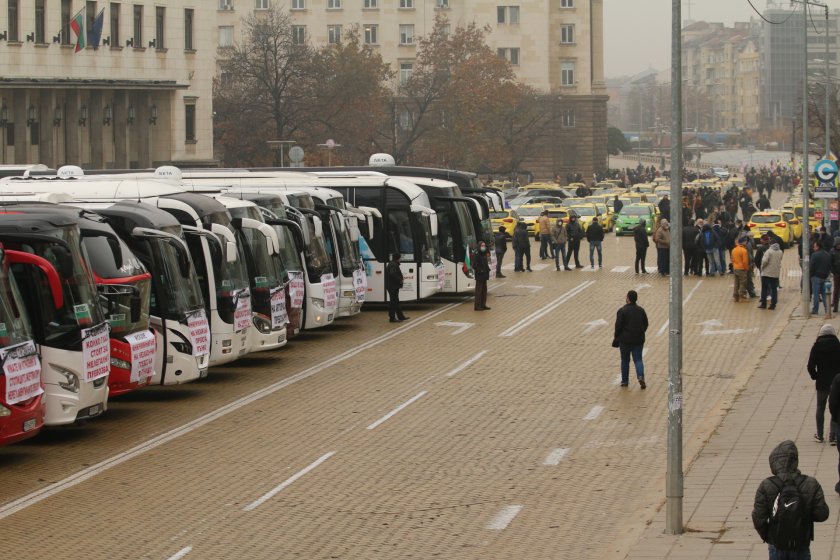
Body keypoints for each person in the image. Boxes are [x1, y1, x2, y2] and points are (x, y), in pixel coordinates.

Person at [751, 440, 829, 559]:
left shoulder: (766, 485)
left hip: (776, 544)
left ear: (773, 463)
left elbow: (758, 517)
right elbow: (822, 514)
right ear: (795, 461)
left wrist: (768, 537)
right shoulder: (811, 483)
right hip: (801, 543)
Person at [808, 324, 840, 444]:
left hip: (821, 383)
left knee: (820, 407)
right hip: (836, 383)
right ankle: (834, 436)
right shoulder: (838, 346)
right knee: (835, 407)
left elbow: (810, 366)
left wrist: (815, 376)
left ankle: (820, 435)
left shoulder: (816, 347)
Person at [613, 290, 649, 389]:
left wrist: (617, 336)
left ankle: (625, 381)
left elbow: (618, 326)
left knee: (625, 360)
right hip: (638, 340)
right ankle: (640, 376)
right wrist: (641, 332)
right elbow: (646, 324)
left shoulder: (622, 311)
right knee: (638, 359)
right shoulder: (641, 310)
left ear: (628, 298)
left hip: (625, 341)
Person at [758, 239, 783, 310]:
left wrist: (762, 267)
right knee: (774, 289)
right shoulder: (780, 251)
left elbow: (764, 261)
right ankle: (773, 304)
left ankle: (763, 304)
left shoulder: (769, 251)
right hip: (775, 272)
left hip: (766, 273)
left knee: (764, 288)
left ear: (771, 244)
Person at [385, 252, 408, 323]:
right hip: (392, 286)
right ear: (398, 258)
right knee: (393, 302)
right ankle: (392, 318)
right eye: (400, 258)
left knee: (396, 301)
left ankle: (400, 316)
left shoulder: (393, 264)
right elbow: (392, 273)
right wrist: (400, 279)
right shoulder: (393, 264)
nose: (400, 259)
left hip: (393, 286)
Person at [810, 241, 831, 318]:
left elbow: (811, 266)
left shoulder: (814, 255)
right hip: (825, 276)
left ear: (818, 247)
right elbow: (829, 265)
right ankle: (827, 309)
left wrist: (811, 275)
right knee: (825, 294)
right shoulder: (827, 254)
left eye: (814, 246)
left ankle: (815, 310)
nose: (813, 248)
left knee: (816, 294)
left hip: (816, 276)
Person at [473, 241, 491, 311]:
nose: (484, 247)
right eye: (482, 246)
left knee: (484, 291)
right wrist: (480, 270)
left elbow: (486, 263)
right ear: (479, 246)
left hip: (485, 275)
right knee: (478, 291)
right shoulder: (477, 254)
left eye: (484, 246)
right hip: (479, 275)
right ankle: (477, 306)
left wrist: (487, 269)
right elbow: (474, 265)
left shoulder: (484, 254)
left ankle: (483, 304)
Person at [732, 236, 750, 302]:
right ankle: (742, 294)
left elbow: (732, 259)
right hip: (742, 268)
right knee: (743, 282)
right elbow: (745, 261)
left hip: (735, 268)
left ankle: (735, 294)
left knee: (736, 282)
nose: (746, 242)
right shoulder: (744, 250)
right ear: (743, 242)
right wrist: (746, 268)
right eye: (745, 241)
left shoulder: (734, 249)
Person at [832, 237, 840, 313]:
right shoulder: (833, 252)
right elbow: (831, 263)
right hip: (836, 274)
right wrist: (834, 272)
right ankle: (835, 306)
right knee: (836, 291)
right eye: (838, 244)